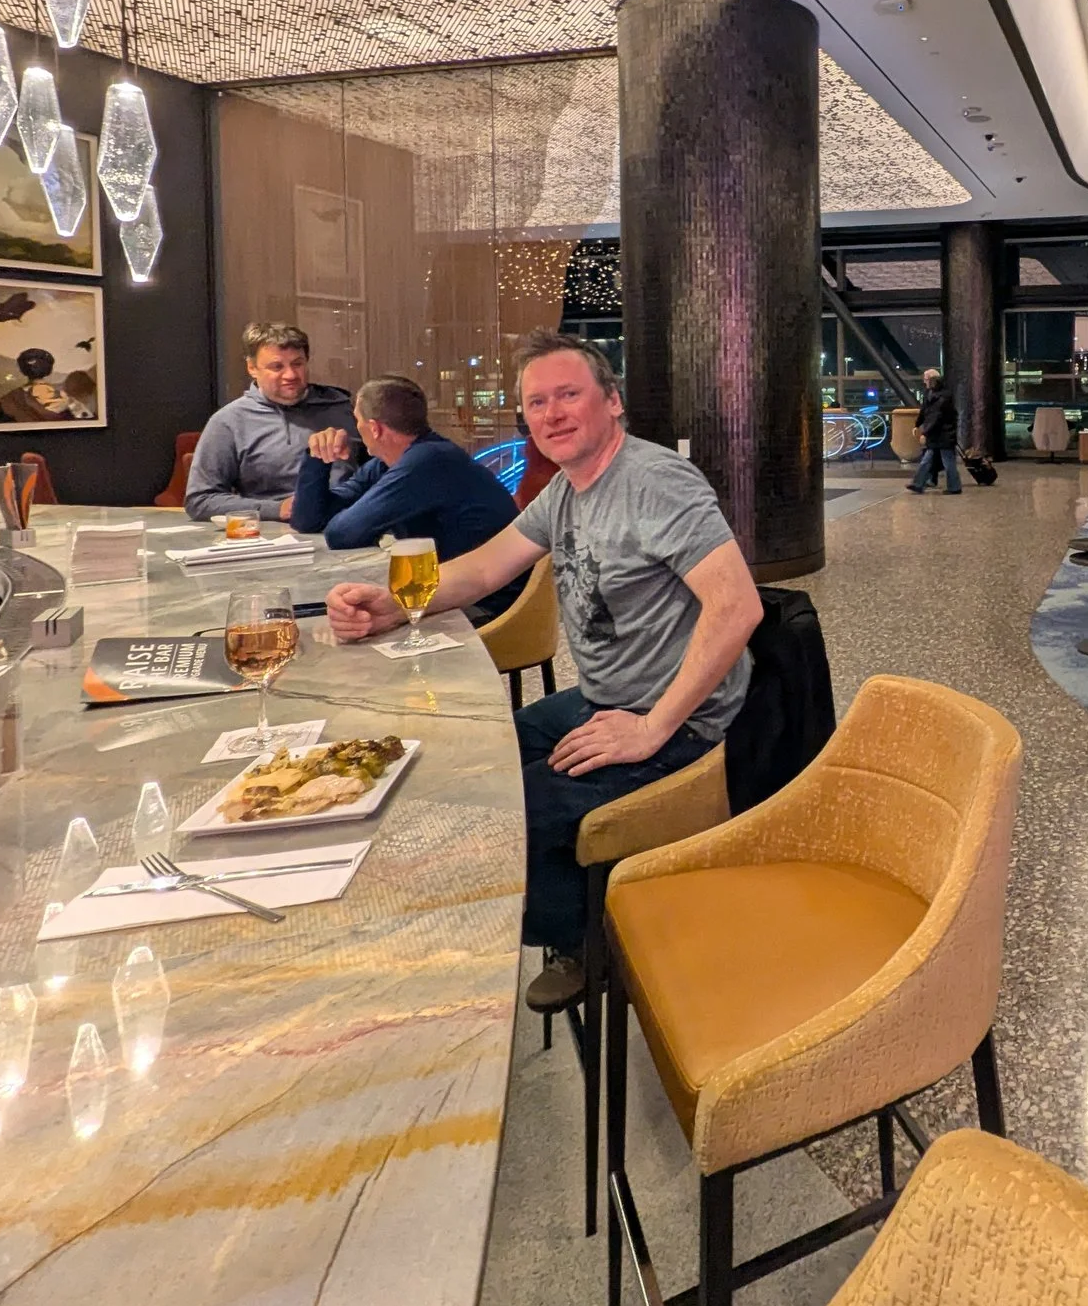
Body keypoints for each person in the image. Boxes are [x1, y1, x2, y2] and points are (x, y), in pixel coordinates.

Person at [326, 329, 762, 1011]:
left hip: (680, 721)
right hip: (604, 696)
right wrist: (393, 604)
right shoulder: (567, 490)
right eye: (537, 402)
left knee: (507, 811)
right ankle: (565, 915)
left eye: (568, 395)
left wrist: (651, 727)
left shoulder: (654, 482)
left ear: (612, 402)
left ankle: (592, 945)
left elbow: (738, 606)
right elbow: (484, 568)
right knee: (470, 761)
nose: (552, 413)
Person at [289, 376, 522, 620]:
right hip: (451, 591)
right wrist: (317, 457)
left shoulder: (430, 461)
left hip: (489, 604)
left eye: (357, 420)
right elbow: (309, 520)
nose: (354, 429)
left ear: (375, 428)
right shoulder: (387, 463)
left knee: (355, 621)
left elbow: (342, 534)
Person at [185, 322, 357, 524]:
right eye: (277, 367)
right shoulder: (229, 422)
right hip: (278, 530)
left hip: (350, 521)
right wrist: (276, 509)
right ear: (252, 368)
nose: (290, 375)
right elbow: (200, 500)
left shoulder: (341, 407)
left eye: (298, 364)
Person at [908, 367, 961, 494]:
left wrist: (925, 432)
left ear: (933, 380)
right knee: (929, 460)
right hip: (937, 435)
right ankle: (918, 484)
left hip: (944, 434)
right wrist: (917, 424)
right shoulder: (932, 394)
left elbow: (935, 417)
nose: (924, 382)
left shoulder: (943, 396)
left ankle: (954, 487)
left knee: (947, 462)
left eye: (926, 379)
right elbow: (925, 411)